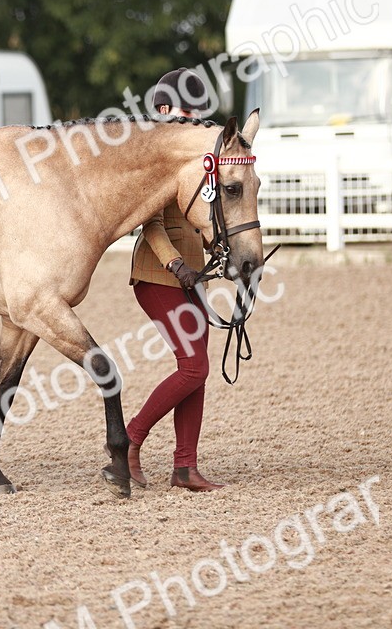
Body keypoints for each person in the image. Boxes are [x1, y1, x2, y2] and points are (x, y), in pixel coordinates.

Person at [125, 68, 224, 492]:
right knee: (194, 366)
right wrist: (175, 266)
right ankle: (129, 440)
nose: (195, 121)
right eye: (187, 113)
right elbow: (148, 224)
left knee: (197, 370)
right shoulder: (153, 158)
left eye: (198, 114)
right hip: (157, 276)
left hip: (191, 277)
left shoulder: (192, 157)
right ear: (163, 109)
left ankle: (184, 466)